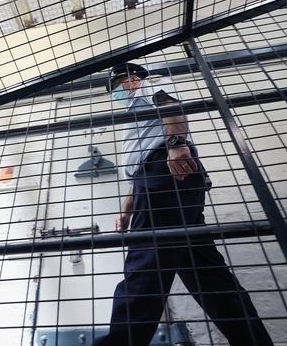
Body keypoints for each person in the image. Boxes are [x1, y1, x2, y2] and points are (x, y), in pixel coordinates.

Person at [93, 63, 273, 346]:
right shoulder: (135, 115)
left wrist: (177, 144)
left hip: (166, 174)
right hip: (160, 180)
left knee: (146, 265)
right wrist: (130, 203)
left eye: (116, 86)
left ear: (131, 78)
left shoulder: (151, 84)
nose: (116, 93)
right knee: (208, 277)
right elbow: (142, 158)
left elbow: (171, 107)